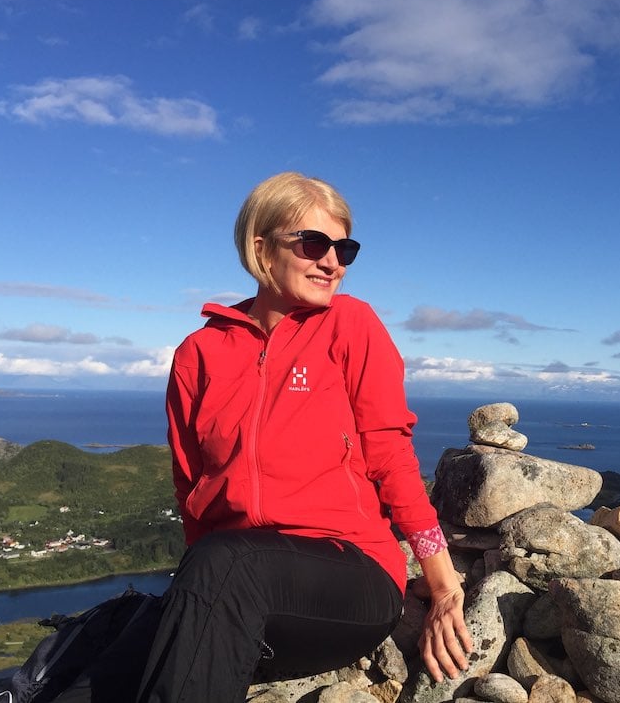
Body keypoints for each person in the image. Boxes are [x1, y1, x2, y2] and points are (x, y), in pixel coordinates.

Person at [136, 171, 473, 701]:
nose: (332, 262)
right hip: (236, 576)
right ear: (261, 248)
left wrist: (443, 583)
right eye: (313, 243)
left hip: (351, 574)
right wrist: (197, 597)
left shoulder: (350, 324)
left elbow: (390, 455)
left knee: (224, 566)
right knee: (101, 663)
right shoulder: (198, 354)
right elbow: (190, 484)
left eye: (345, 249)